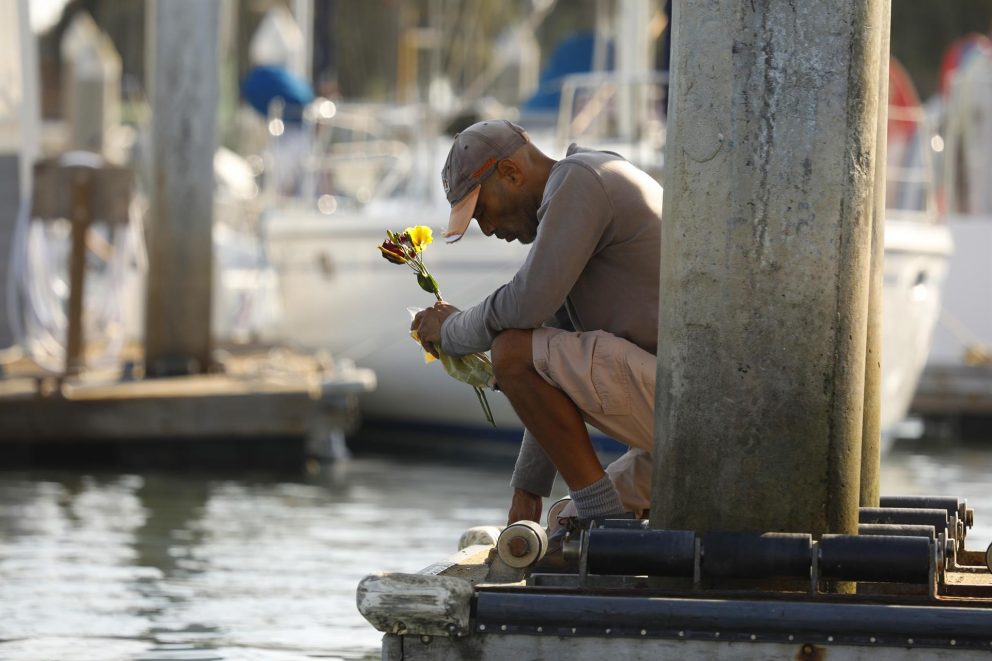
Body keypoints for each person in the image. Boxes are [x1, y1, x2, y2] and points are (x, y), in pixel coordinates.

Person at [410, 119, 662, 530]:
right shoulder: (584, 183)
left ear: (511, 172)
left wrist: (452, 332)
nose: (488, 229)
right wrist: (528, 490)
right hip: (676, 416)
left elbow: (525, 309)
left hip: (692, 411)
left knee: (509, 349)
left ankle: (609, 533)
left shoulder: (580, 179)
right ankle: (601, 524)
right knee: (563, 523)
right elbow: (547, 365)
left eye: (483, 212)